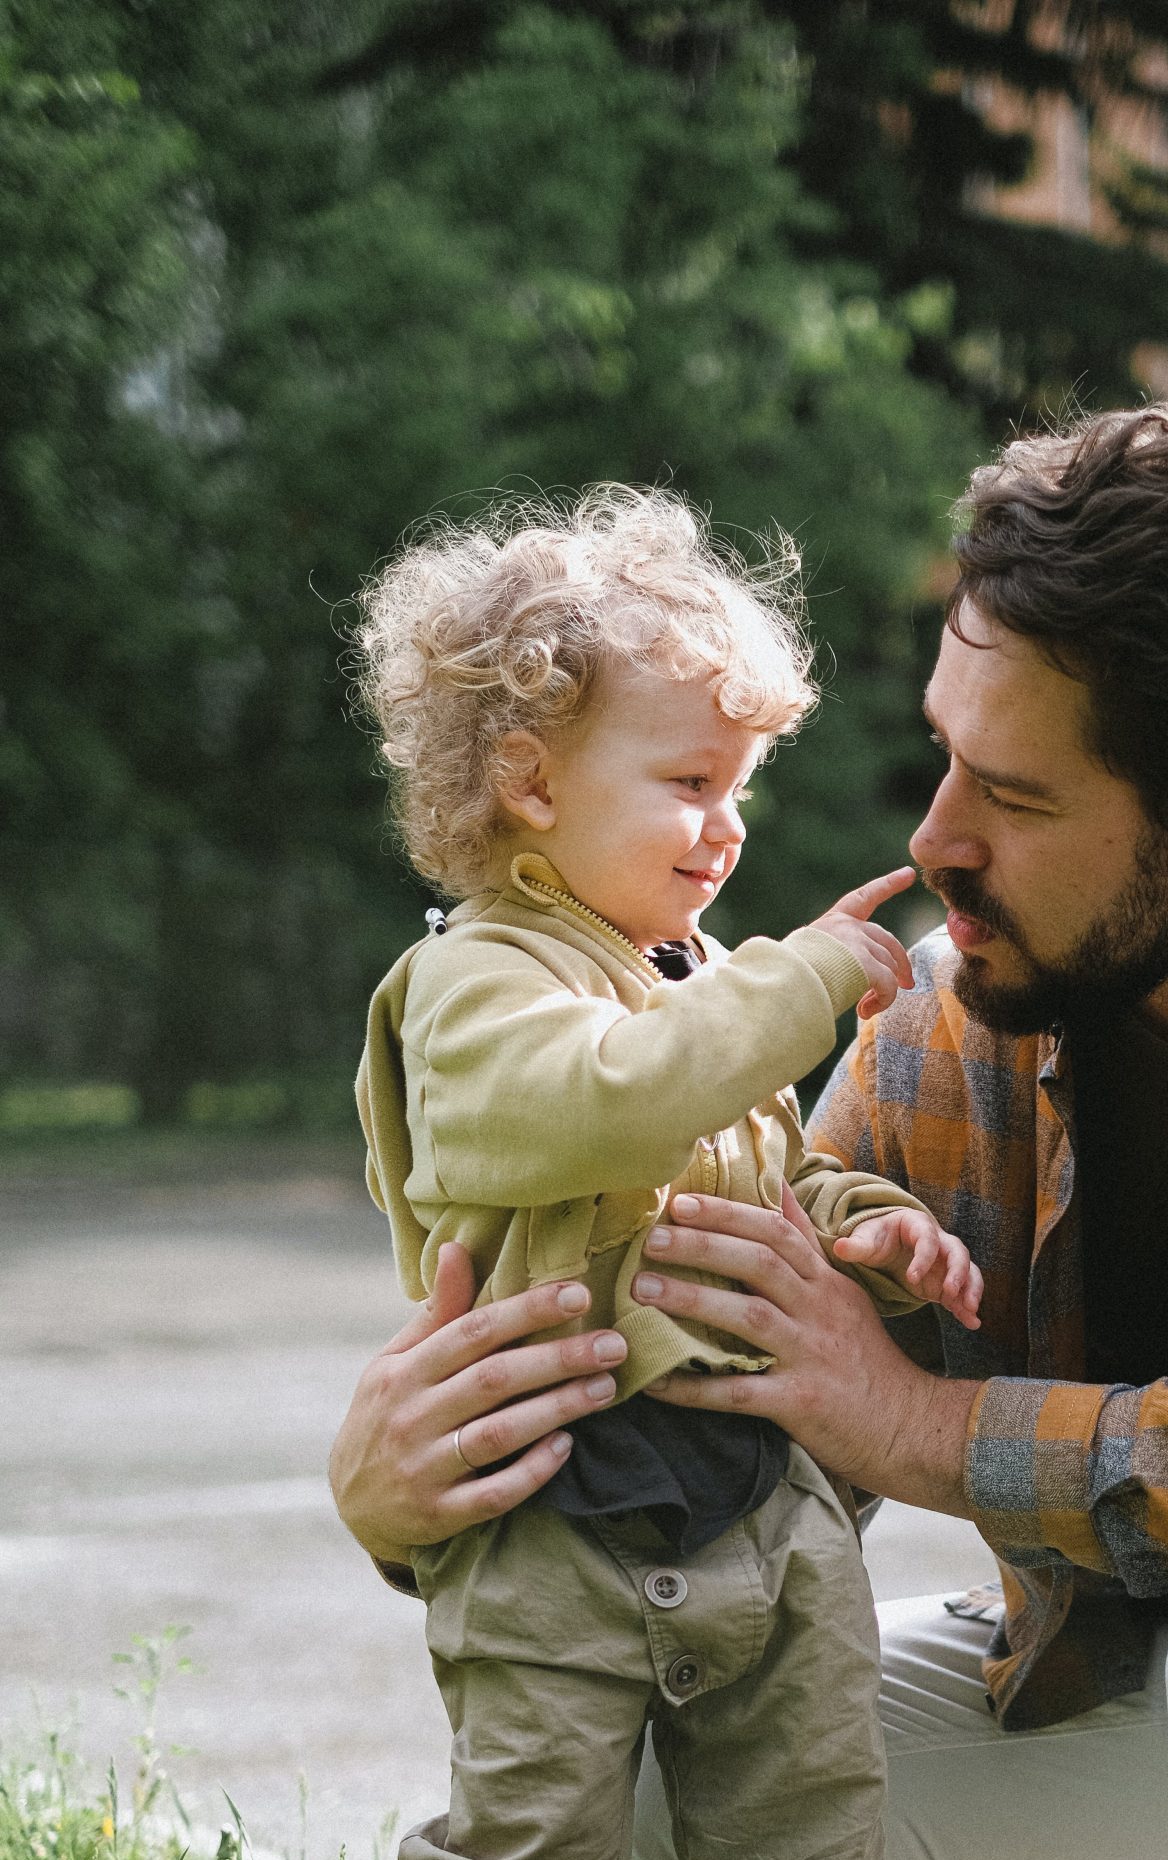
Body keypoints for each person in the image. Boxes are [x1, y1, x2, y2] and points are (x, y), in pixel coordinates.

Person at [332, 408, 1168, 1860]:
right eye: (947, 757)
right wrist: (406, 1487)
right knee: (672, 1786)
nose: (934, 839)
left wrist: (923, 1422)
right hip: (1139, 1675)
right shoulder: (958, 1019)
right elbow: (756, 1409)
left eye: (1016, 793)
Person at [347, 486, 983, 1860]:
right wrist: (802, 975)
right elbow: (608, 1112)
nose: (728, 826)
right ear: (531, 782)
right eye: (691, 784)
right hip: (551, 1524)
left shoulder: (684, 985)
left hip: (760, 1504)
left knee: (813, 1817)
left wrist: (864, 1221)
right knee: (540, 1830)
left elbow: (754, 1174)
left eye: (741, 788)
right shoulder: (475, 986)